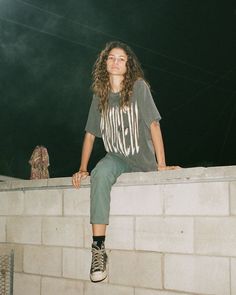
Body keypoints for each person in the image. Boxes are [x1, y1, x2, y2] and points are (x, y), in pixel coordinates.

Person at [72, 41, 179, 283]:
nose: (116, 62)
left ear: (127, 64)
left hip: (141, 158)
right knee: (100, 174)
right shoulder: (99, 96)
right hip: (117, 157)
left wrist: (161, 164)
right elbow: (90, 134)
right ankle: (98, 249)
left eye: (121, 58)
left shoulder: (139, 87)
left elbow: (153, 124)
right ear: (105, 63)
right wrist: (82, 168)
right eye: (111, 58)